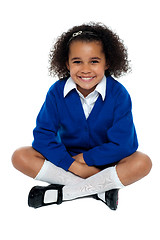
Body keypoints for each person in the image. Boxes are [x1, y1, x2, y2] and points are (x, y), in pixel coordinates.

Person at [12, 22, 152, 210]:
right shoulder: (56, 92)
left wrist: (85, 159)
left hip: (105, 161)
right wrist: (73, 165)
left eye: (94, 61)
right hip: (67, 160)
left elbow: (124, 144)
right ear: (67, 63)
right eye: (77, 61)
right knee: (20, 156)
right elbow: (43, 137)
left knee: (142, 162)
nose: (85, 69)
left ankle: (65, 193)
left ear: (107, 63)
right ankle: (100, 190)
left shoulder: (119, 94)